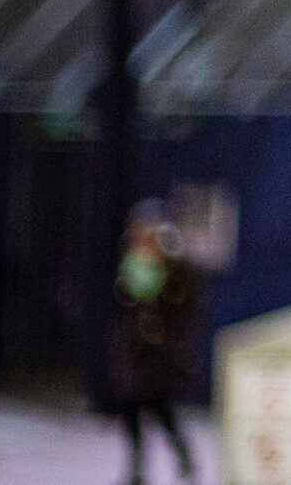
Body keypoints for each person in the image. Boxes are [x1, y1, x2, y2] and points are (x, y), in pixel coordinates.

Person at [110, 202, 199, 485]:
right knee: (130, 407)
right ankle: (136, 468)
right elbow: (121, 302)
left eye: (146, 231)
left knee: (161, 408)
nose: (140, 236)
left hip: (160, 352)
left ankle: (183, 456)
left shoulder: (175, 269)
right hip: (134, 350)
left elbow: (186, 305)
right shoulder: (131, 265)